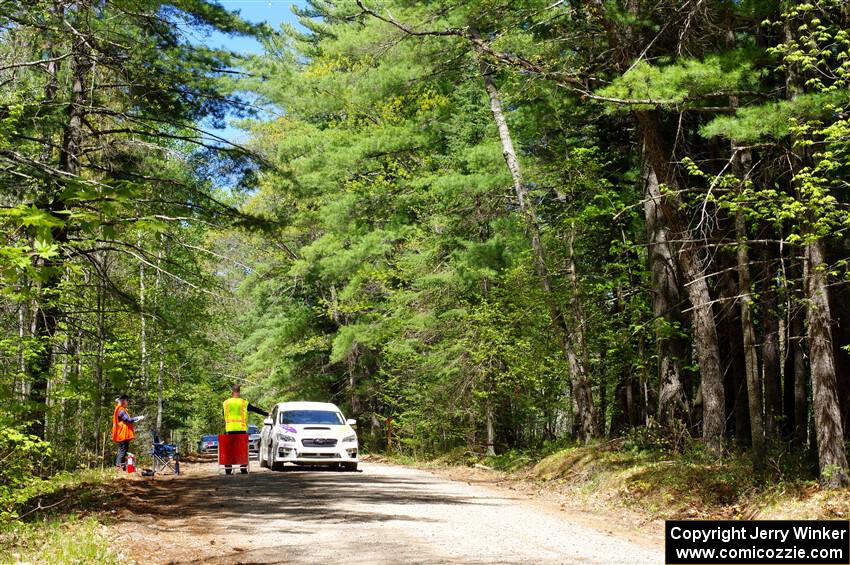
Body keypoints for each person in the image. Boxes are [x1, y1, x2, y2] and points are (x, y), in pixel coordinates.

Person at [222, 383, 266, 474]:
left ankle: (228, 469)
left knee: (229, 450)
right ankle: (243, 468)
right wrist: (266, 414)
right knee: (242, 449)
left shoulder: (226, 403)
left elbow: (224, 414)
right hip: (241, 429)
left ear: (232, 392)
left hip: (229, 430)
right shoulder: (243, 403)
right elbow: (255, 409)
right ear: (239, 392)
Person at [112, 394, 144, 470]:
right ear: (123, 401)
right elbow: (127, 420)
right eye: (127, 401)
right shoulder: (120, 410)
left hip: (123, 433)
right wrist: (138, 418)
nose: (128, 402)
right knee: (122, 451)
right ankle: (118, 467)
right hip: (122, 434)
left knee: (124, 450)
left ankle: (121, 467)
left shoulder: (120, 409)